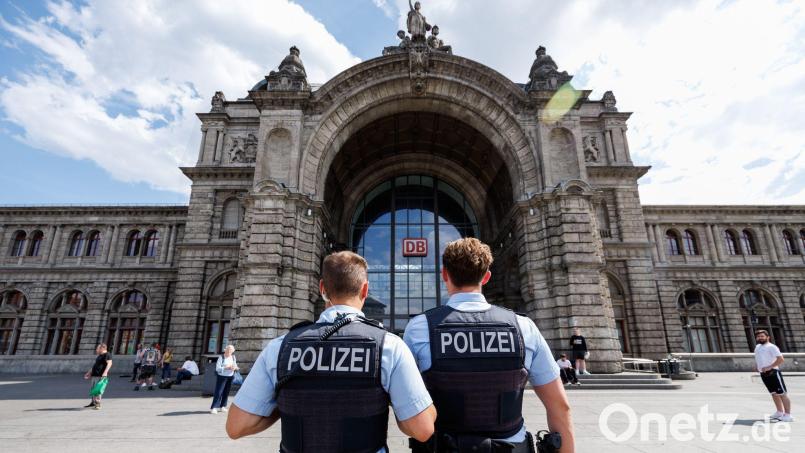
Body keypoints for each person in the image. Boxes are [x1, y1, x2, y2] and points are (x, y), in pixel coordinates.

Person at [226, 251, 437, 452]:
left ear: (322, 288)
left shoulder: (280, 347)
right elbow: (423, 429)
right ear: (365, 290)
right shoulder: (389, 346)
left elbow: (237, 426)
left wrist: (283, 404)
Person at [404, 237, 574, 453]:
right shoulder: (523, 327)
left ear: (444, 274)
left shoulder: (419, 328)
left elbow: (410, 409)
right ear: (486, 277)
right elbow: (560, 406)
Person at [754, 330, 793, 422]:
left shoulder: (772, 347)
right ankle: (779, 412)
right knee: (773, 393)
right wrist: (758, 366)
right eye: (758, 336)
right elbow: (759, 358)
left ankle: (788, 415)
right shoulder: (757, 347)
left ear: (768, 337)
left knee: (782, 394)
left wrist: (769, 367)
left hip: (773, 372)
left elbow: (781, 359)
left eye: (762, 336)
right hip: (763, 373)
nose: (760, 338)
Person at [210, 345, 238, 414]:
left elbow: (235, 365)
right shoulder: (221, 357)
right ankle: (214, 407)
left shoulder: (233, 357)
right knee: (219, 392)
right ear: (225, 350)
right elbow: (217, 369)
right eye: (228, 349)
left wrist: (235, 368)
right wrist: (226, 368)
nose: (229, 351)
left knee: (226, 392)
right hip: (222, 377)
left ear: (233, 351)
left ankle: (223, 406)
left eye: (231, 350)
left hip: (230, 376)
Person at [84, 343, 112, 410]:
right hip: (95, 375)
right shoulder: (99, 355)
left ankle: (98, 404)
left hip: (100, 375)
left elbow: (110, 364)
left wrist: (105, 373)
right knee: (93, 389)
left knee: (98, 390)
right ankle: (93, 402)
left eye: (98, 348)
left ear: (102, 348)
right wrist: (89, 372)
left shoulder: (107, 354)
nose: (96, 349)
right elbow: (95, 365)